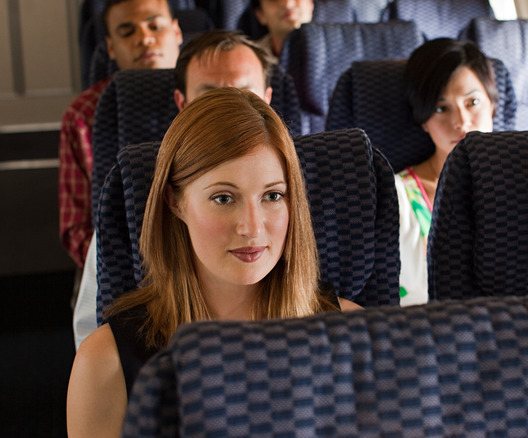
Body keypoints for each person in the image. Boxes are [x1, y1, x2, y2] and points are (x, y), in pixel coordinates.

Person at [67, 88, 362, 437]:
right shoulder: (107, 364)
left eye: (272, 196)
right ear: (175, 202)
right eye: (223, 198)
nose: (252, 227)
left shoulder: (354, 336)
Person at [72, 30, 277, 349]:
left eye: (244, 93)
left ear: (266, 98)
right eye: (210, 97)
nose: (229, 109)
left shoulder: (308, 184)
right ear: (182, 103)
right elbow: (91, 333)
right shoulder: (131, 196)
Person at [58, 0, 182, 275]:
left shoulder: (207, 96)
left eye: (155, 26)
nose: (144, 39)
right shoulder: (84, 114)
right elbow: (76, 228)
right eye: (127, 32)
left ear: (177, 32)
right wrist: (122, 269)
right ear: (111, 47)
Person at [396, 38, 498, 306]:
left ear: (492, 104)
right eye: (442, 108)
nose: (461, 122)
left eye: (472, 102)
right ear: (423, 121)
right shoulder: (397, 197)